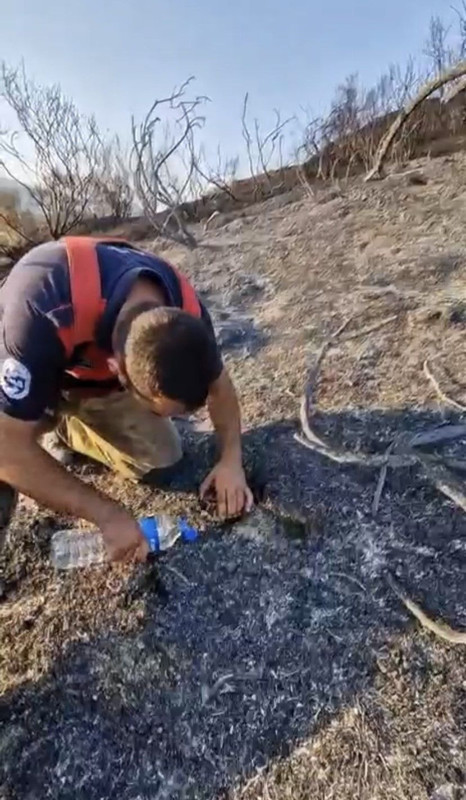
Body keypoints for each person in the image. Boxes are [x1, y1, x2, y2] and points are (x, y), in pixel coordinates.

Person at [0, 236, 253, 562]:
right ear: (117, 371)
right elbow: (6, 449)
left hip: (84, 377)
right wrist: (105, 514)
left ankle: (67, 430)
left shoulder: (185, 314)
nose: (167, 420)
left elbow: (221, 386)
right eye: (157, 410)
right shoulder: (40, 312)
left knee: (163, 460)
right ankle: (46, 419)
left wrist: (231, 459)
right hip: (22, 370)